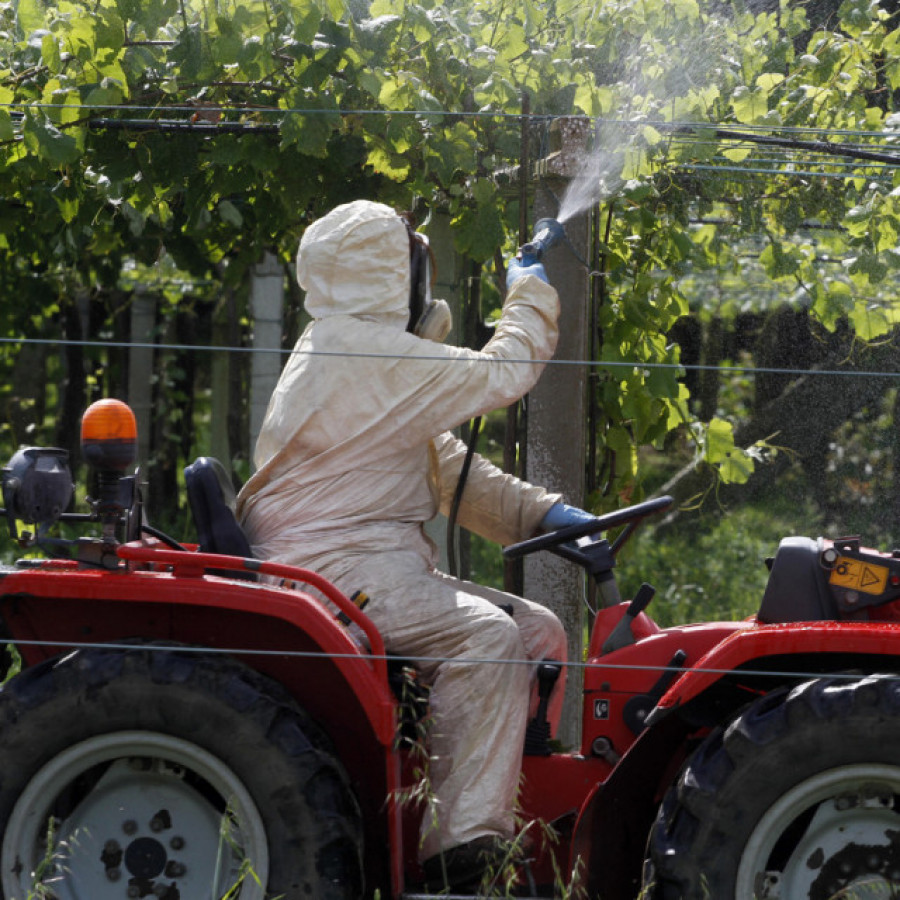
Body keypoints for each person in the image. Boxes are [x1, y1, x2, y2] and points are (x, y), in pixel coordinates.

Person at [236, 200, 593, 891]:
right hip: (329, 571)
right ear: (386, 273)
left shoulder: (354, 351)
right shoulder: (360, 352)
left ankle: (500, 804)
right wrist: (527, 286)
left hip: (364, 564)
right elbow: (506, 370)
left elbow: (447, 466)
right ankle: (461, 859)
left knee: (539, 631)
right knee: (486, 639)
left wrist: (544, 516)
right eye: (412, 263)